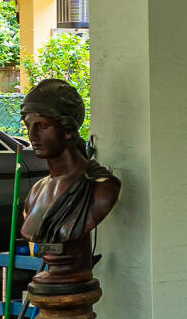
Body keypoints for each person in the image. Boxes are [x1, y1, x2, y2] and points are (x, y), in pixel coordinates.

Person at [19, 78, 119, 255]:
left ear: (68, 129)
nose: (32, 135)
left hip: (75, 278)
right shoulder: (36, 192)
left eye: (42, 126)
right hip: (48, 279)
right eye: (28, 126)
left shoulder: (100, 187)